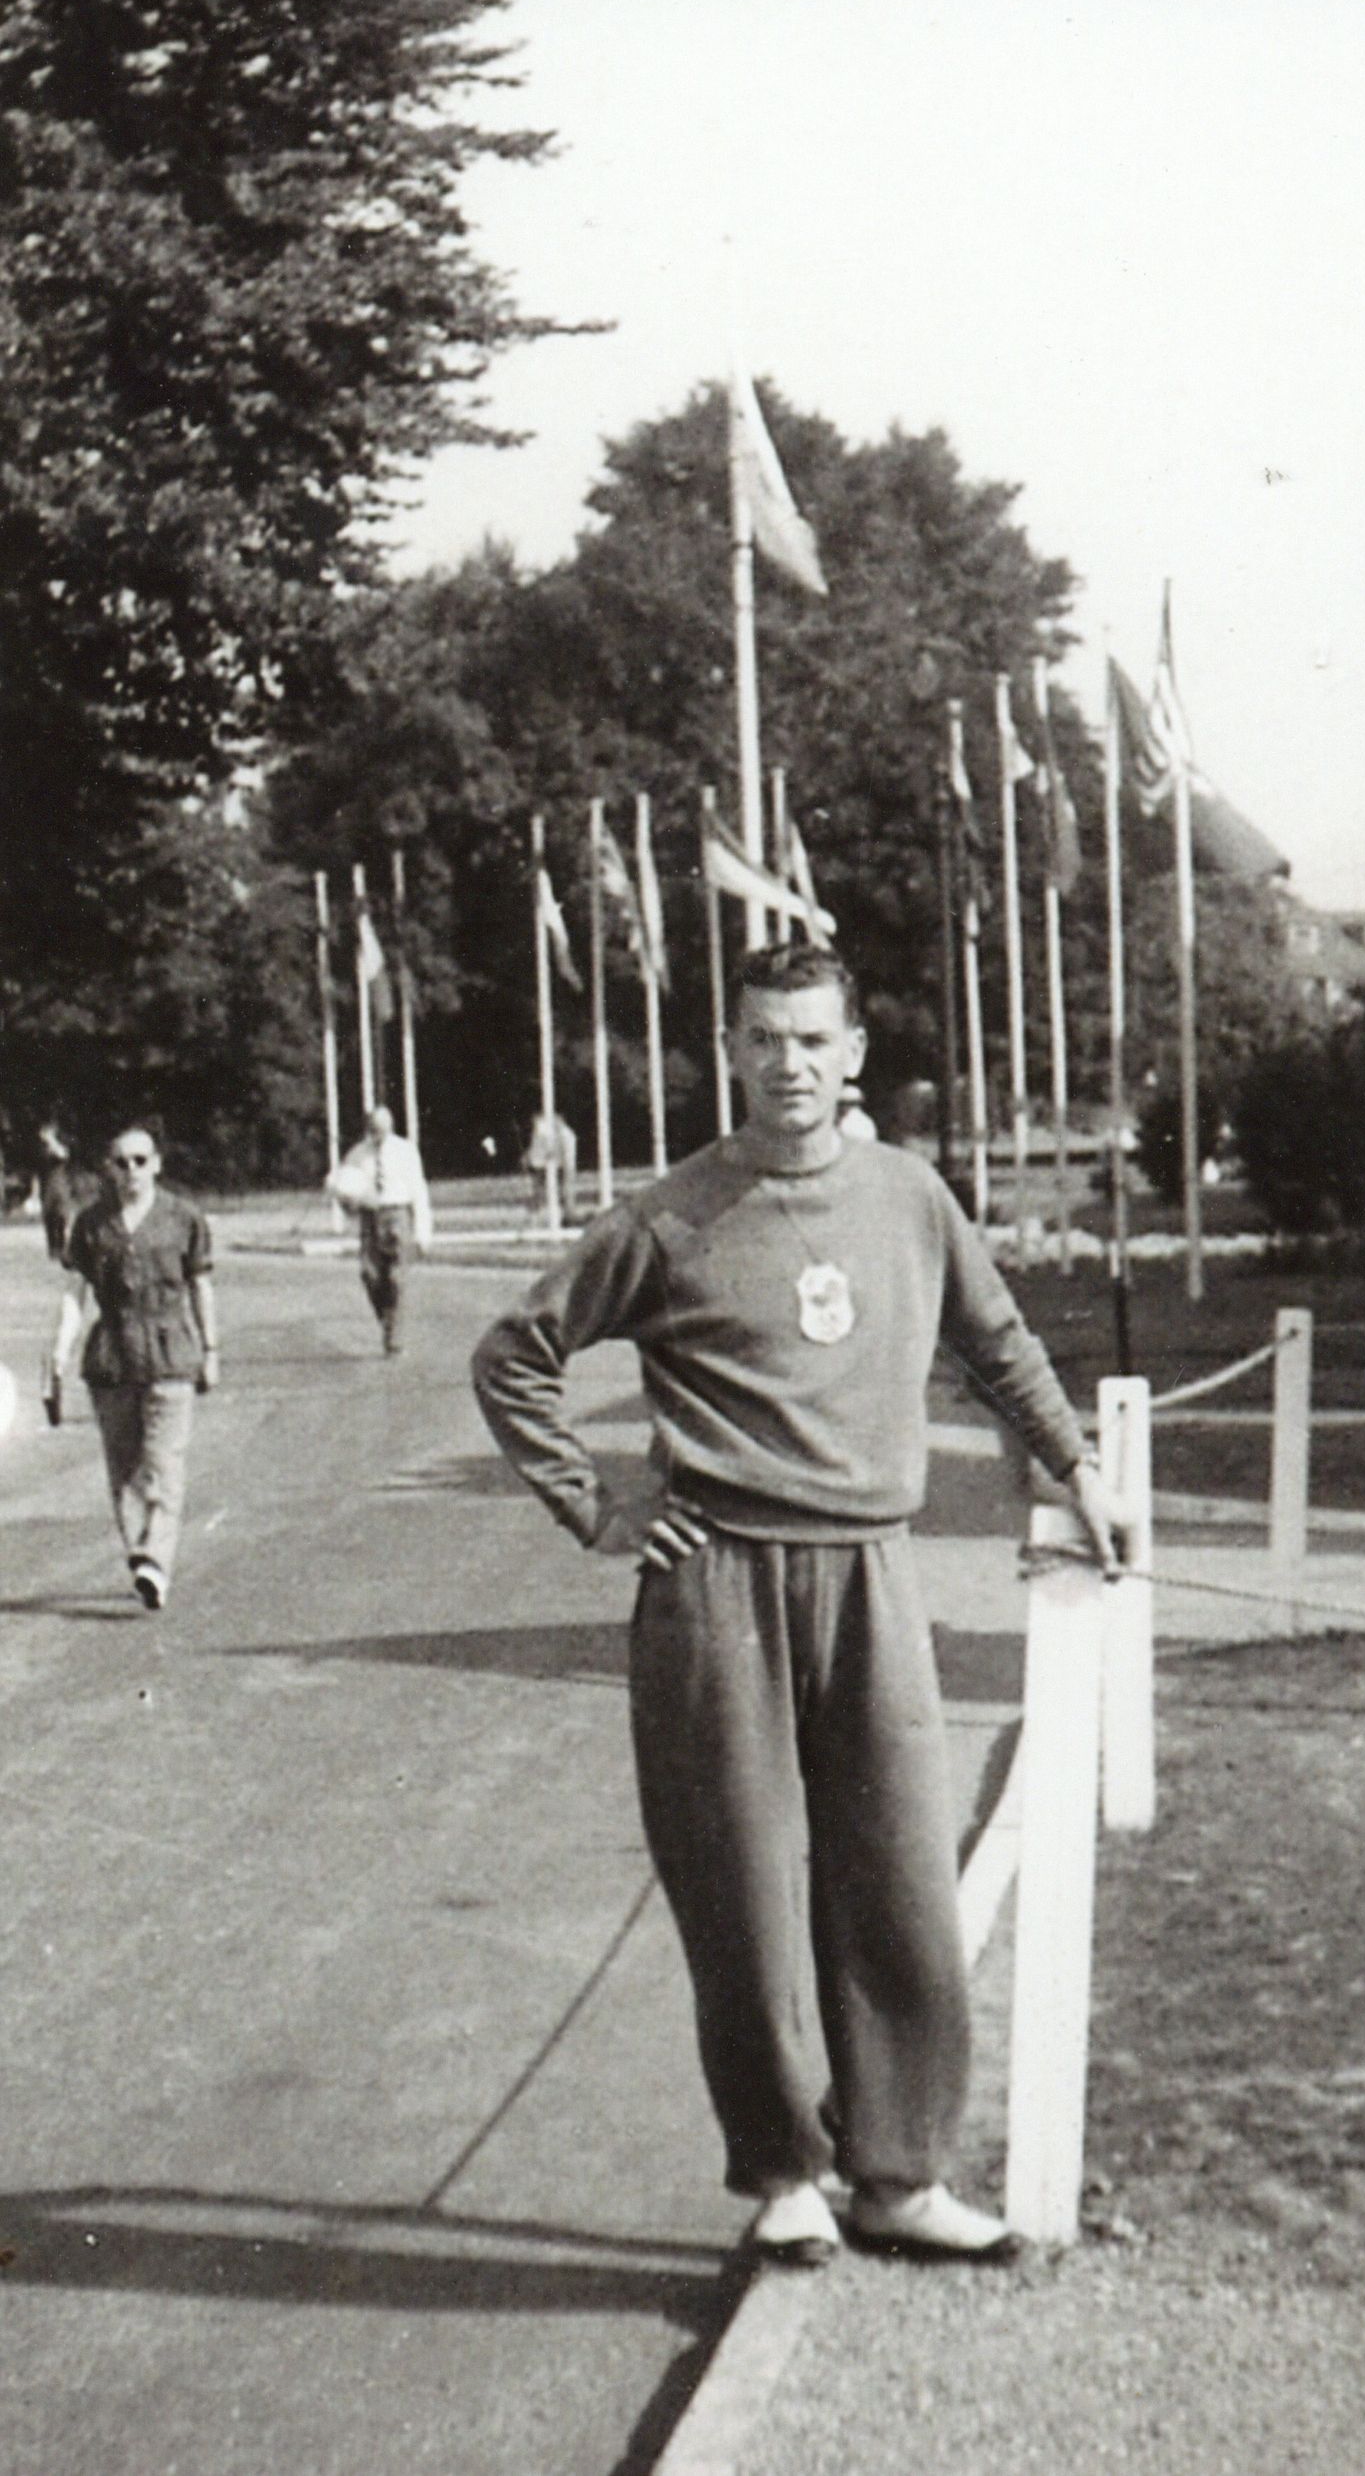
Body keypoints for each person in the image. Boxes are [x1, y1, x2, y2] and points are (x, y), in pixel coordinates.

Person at [472, 942, 1128, 2271]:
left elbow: (994, 1341)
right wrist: (594, 1505)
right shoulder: (671, 1215)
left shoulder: (907, 1197)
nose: (790, 1064)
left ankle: (895, 2175)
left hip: (870, 1578)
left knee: (895, 1881)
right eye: (764, 1038)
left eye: (814, 1040)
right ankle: (780, 2170)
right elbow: (513, 1357)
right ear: (732, 1051)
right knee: (744, 1895)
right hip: (715, 1583)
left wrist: (1074, 1462)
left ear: (852, 1056)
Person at [48, 1120, 218, 1611]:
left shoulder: (182, 1217)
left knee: (164, 1463)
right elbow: (76, 1293)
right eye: (121, 1163)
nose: (131, 1172)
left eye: (140, 1161)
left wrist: (211, 1350)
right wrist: (58, 1350)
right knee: (124, 1468)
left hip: (170, 1352)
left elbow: (201, 1285)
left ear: (157, 1165)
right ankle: (142, 1552)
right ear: (108, 1168)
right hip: (112, 1356)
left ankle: (155, 1558)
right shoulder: (91, 1223)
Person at [327, 1105, 433, 1355]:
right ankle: (388, 1320)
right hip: (370, 1217)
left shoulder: (405, 1151)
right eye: (374, 1130)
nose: (378, 1135)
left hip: (398, 1213)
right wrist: (346, 1206)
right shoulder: (356, 1155)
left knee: (397, 1278)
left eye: (383, 1130)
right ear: (368, 1129)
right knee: (370, 1274)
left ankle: (394, 1340)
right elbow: (344, 1190)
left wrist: (423, 1232)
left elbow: (419, 1191)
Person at [36, 1121, 78, 1262]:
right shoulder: (42, 1150)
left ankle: (61, 1247)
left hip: (60, 1184)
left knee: (61, 1216)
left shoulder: (58, 1146)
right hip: (47, 1185)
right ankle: (53, 1248)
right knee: (49, 1217)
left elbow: (63, 1155)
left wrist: (51, 1140)